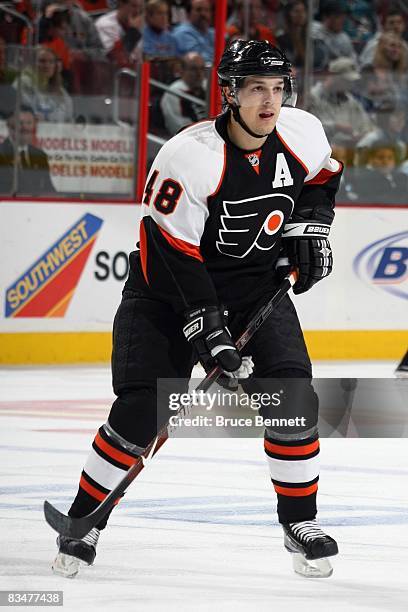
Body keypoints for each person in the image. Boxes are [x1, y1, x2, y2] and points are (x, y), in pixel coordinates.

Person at [51, 40, 342, 579]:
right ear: (229, 93)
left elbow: (324, 176)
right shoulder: (190, 157)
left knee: (294, 399)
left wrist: (311, 226)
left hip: (256, 291)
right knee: (143, 408)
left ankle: (300, 523)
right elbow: (168, 249)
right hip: (164, 295)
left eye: (277, 89)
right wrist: (208, 327)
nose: (269, 102)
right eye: (256, 88)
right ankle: (84, 520)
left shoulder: (302, 133)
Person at [308, 56, 373, 146]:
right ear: (333, 76)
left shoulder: (351, 101)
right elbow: (310, 128)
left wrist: (362, 135)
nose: (350, 85)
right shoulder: (313, 97)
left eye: (351, 81)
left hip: (350, 150)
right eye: (346, 80)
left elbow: (366, 126)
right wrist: (336, 127)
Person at [0, 106, 56, 195]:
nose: (25, 127)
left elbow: (49, 190)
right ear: (9, 126)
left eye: (29, 123)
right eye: (20, 123)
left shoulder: (40, 155)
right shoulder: (1, 152)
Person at [13, 46, 73, 123]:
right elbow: (25, 111)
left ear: (55, 66)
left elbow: (69, 117)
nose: (47, 66)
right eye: (42, 61)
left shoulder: (61, 91)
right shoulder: (23, 83)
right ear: (33, 64)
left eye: (51, 62)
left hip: (56, 133)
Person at [160, 51, 207, 135]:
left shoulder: (207, 86)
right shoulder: (174, 92)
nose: (199, 74)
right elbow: (177, 126)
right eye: (194, 69)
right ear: (182, 70)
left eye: (202, 69)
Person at [95, 0, 143, 66]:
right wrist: (133, 33)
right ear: (121, 4)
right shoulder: (105, 25)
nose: (137, 11)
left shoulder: (135, 26)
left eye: (140, 7)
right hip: (109, 73)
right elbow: (114, 61)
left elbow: (139, 62)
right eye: (134, 6)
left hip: (130, 73)